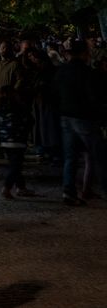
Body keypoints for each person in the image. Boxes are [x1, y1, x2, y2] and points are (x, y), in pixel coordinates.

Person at [53, 39, 107, 205]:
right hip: (84, 118)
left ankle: (68, 192)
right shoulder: (86, 72)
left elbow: (55, 92)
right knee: (99, 156)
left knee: (71, 157)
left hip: (66, 116)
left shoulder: (62, 71)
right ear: (84, 53)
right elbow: (94, 97)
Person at [0, 86, 36, 200]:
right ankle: (6, 188)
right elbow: (30, 120)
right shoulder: (20, 107)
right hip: (18, 141)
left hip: (4, 141)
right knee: (16, 166)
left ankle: (21, 187)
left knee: (15, 165)